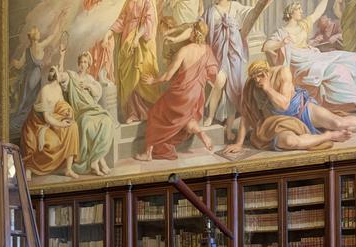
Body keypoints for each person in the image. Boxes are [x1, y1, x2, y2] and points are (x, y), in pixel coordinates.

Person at [224, 59, 356, 155]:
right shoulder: (252, 87)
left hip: (299, 108)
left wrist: (268, 87)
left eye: (261, 75)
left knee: (338, 122)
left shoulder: (282, 72)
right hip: (281, 122)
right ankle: (328, 136)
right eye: (255, 77)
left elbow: (285, 104)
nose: (258, 80)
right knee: (290, 142)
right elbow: (247, 114)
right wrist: (239, 143)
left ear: (268, 71)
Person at [166, 0, 274, 139]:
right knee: (219, 81)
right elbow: (194, 29)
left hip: (235, 57)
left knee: (234, 91)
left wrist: (264, 3)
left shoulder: (236, 7)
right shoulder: (210, 12)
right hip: (218, 56)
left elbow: (253, 13)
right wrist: (175, 40)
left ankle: (228, 130)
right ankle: (210, 115)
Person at [264, 1, 356, 114]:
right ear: (291, 13)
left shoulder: (303, 24)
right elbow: (266, 46)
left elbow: (318, 12)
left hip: (311, 56)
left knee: (354, 58)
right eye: (298, 9)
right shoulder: (282, 32)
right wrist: (281, 43)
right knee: (337, 70)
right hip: (300, 65)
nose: (301, 11)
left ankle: (348, 101)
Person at [135, 21, 219, 160]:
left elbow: (167, 76)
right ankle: (202, 134)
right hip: (196, 94)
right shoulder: (207, 49)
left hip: (182, 93)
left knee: (155, 114)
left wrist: (153, 81)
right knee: (187, 118)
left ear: (192, 33)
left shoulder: (184, 51)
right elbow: (213, 72)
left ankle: (147, 153)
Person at [9, 11, 68, 136]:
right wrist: (59, 19)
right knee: (32, 104)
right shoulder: (40, 46)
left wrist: (13, 62)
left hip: (27, 79)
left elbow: (19, 65)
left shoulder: (27, 51)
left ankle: (26, 123)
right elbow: (53, 35)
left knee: (26, 103)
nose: (40, 34)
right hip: (35, 78)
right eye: (38, 33)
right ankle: (30, 124)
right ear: (35, 36)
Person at [21, 61, 81, 179]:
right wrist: (62, 124)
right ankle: (30, 166)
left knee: (73, 127)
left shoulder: (58, 88)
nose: (63, 75)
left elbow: (58, 108)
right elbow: (46, 117)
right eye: (60, 74)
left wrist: (66, 114)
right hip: (37, 125)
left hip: (52, 119)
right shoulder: (45, 90)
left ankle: (68, 169)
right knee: (53, 144)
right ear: (56, 76)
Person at [105, 0, 161, 123]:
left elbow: (149, 21)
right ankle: (133, 112)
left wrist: (137, 37)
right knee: (129, 77)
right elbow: (122, 20)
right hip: (127, 41)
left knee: (142, 74)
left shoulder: (148, 1)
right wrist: (110, 32)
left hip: (142, 42)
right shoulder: (128, 2)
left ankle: (147, 110)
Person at [61, 51, 115, 176]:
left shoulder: (90, 79)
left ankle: (96, 160)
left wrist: (88, 86)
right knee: (86, 123)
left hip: (92, 108)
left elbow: (96, 95)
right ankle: (99, 162)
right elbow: (62, 77)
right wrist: (62, 56)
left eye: (85, 62)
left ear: (88, 64)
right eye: (81, 62)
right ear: (78, 63)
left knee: (107, 121)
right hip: (80, 112)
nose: (82, 64)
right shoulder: (72, 76)